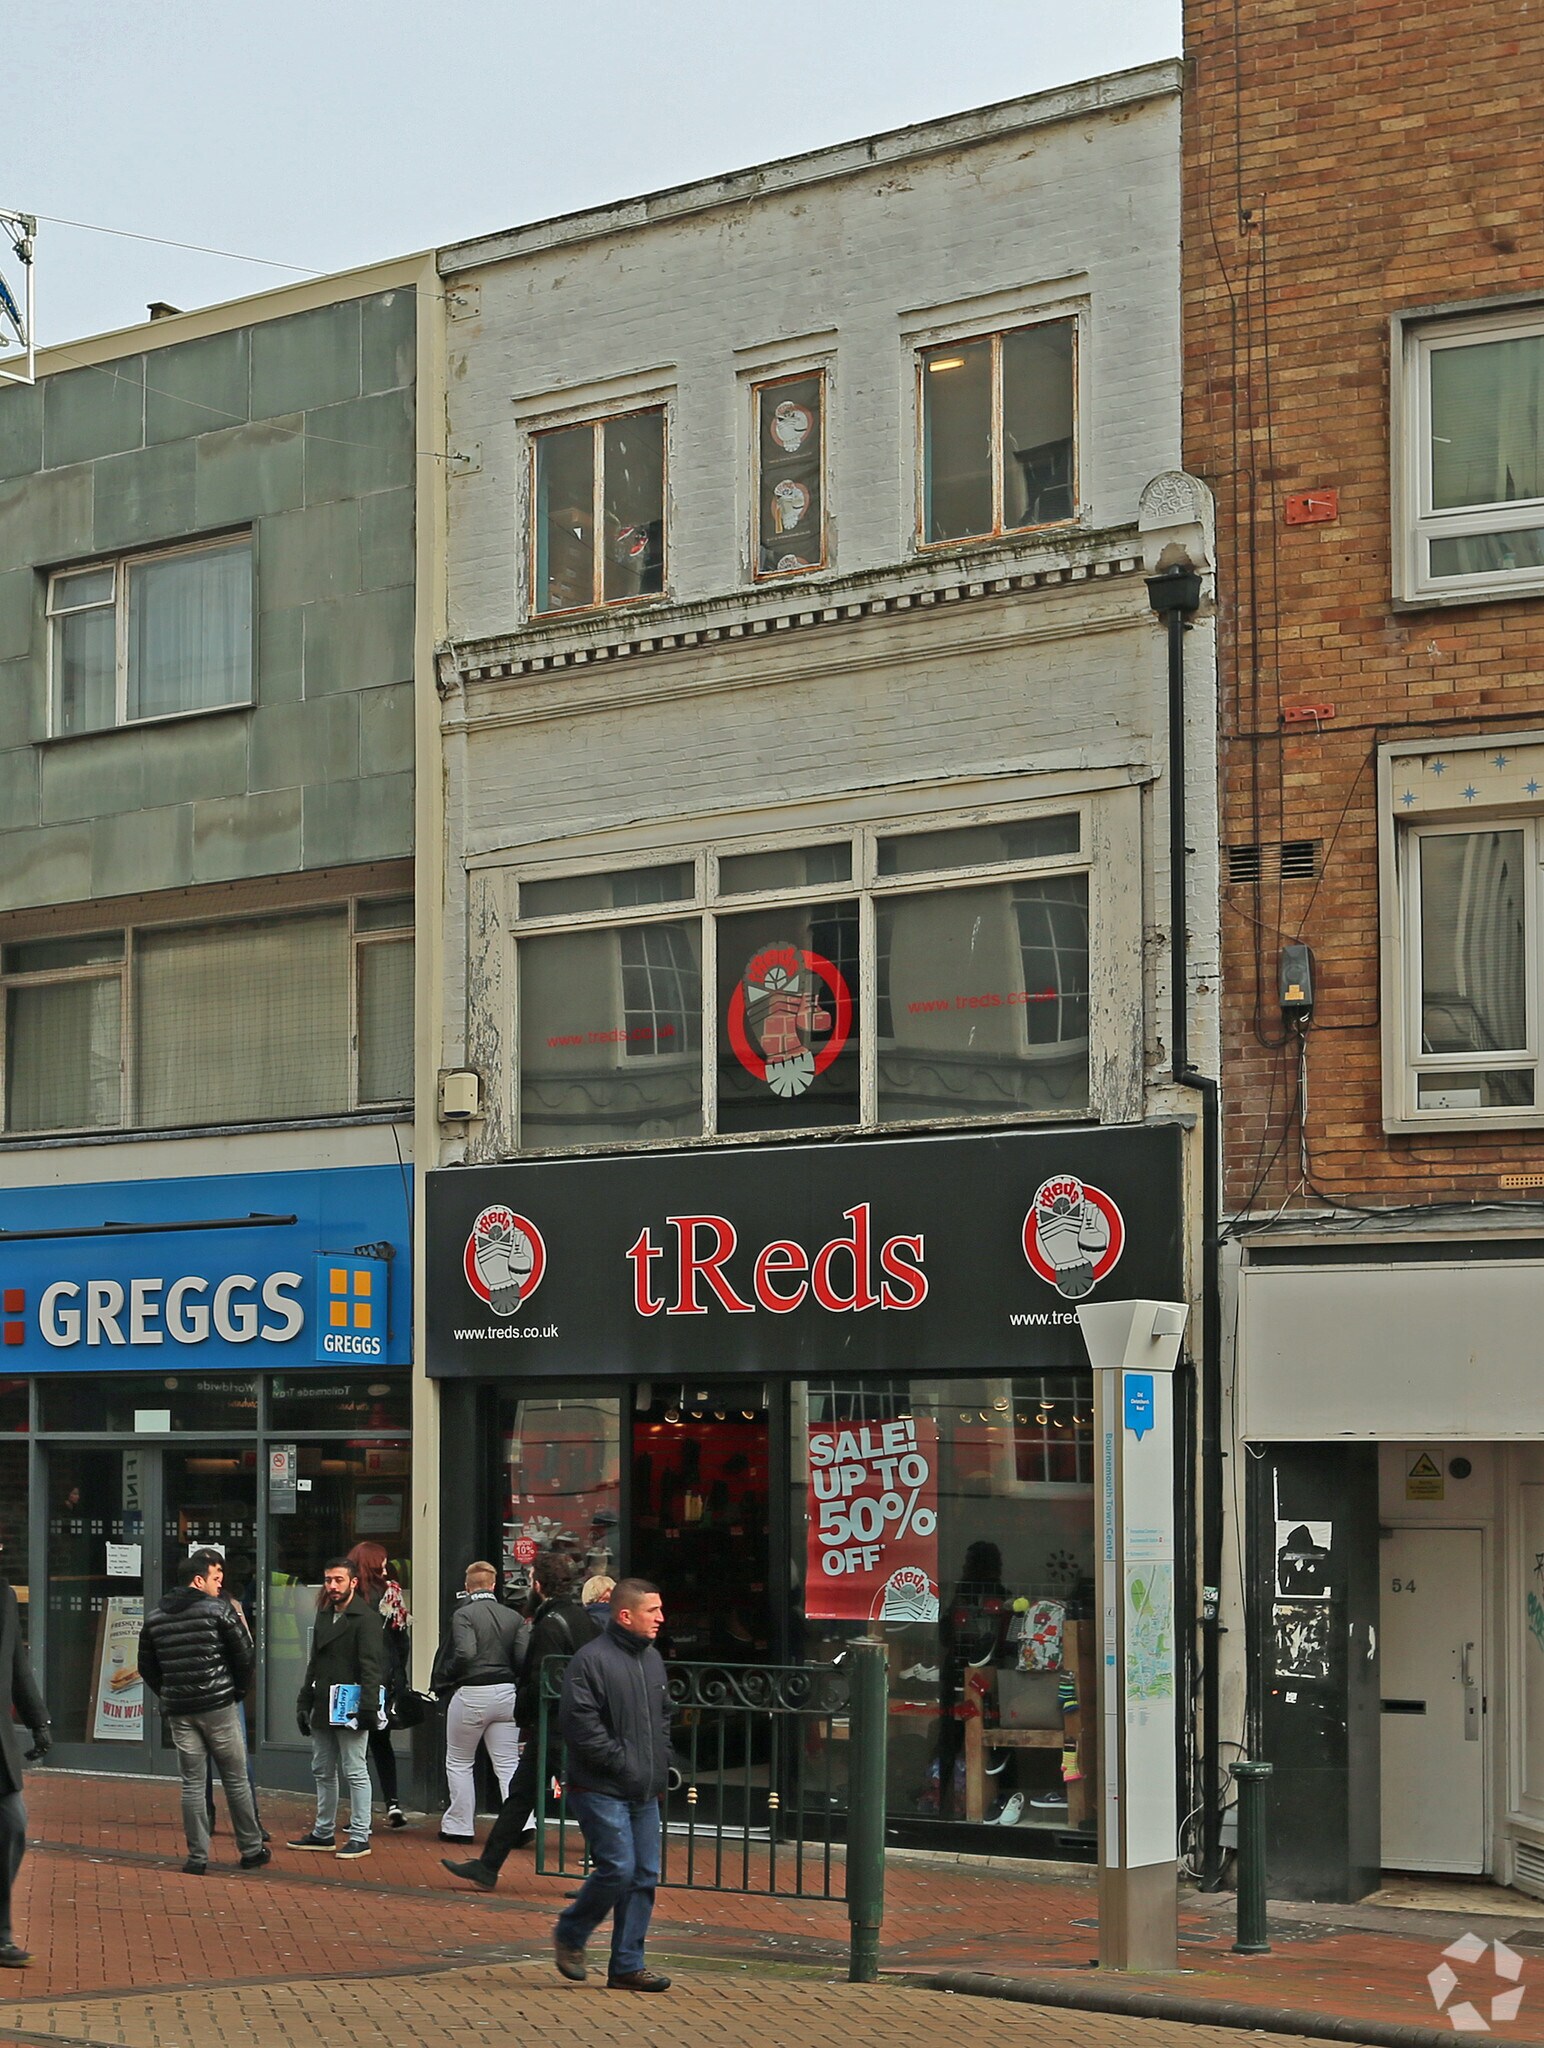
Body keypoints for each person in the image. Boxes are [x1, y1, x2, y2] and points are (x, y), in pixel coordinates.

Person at [442, 1550, 597, 1890]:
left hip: (557, 1724)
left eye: (530, 1581)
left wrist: (525, 1711)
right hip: (566, 1721)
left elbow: (541, 1676)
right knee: (520, 1792)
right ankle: (488, 1865)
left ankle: (607, 1872)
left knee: (583, 1795)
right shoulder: (581, 1618)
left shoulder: (549, 1624)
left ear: (538, 1585)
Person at [552, 1577, 672, 1994]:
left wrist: (660, 1761)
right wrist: (622, 1761)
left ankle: (627, 1965)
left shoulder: (652, 1659)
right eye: (652, 1611)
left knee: (643, 1875)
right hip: (600, 1786)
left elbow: (663, 1717)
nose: (660, 1618)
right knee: (618, 1869)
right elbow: (579, 1724)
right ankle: (571, 1932)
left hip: (643, 1787)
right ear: (625, 1615)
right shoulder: (591, 1660)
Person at [137, 1550, 268, 1877]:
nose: (219, 1584)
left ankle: (197, 1856)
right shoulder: (218, 1610)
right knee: (235, 1779)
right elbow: (244, 1656)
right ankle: (251, 1849)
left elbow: (146, 1667)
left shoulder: (155, 1617)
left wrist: (169, 1692)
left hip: (180, 1711)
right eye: (215, 1578)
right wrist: (235, 1692)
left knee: (192, 1784)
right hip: (218, 1706)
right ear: (199, 1580)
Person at [288, 1557, 384, 1860]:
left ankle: (359, 1835)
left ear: (353, 1582)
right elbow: (314, 1662)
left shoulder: (366, 1619)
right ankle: (323, 1832)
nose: (332, 1586)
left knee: (355, 1769)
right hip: (323, 1703)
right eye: (328, 1579)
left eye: (338, 1580)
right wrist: (304, 1701)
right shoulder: (324, 1614)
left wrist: (368, 1709)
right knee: (322, 1769)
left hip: (350, 1705)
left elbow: (372, 1668)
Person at [436, 1560, 528, 1843]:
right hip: (506, 1693)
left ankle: (459, 1826)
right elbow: (522, 1657)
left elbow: (465, 1652)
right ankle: (523, 1825)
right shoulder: (513, 1616)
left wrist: (447, 1672)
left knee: (460, 1761)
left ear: (467, 1586)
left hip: (472, 1692)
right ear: (493, 1585)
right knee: (508, 1763)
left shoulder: (464, 1613)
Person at [0, 1536, 49, 1966]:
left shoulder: (4, 1597)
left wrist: (38, 1721)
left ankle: (0, 1934)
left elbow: (17, 1665)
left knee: (13, 1826)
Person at [347, 1540, 411, 1829]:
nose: (387, 1565)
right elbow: (402, 1640)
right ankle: (393, 1803)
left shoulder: (349, 1595)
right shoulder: (391, 1594)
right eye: (383, 1560)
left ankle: (359, 1815)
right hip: (383, 1676)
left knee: (353, 1746)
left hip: (352, 1676)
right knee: (382, 1741)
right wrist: (399, 1676)